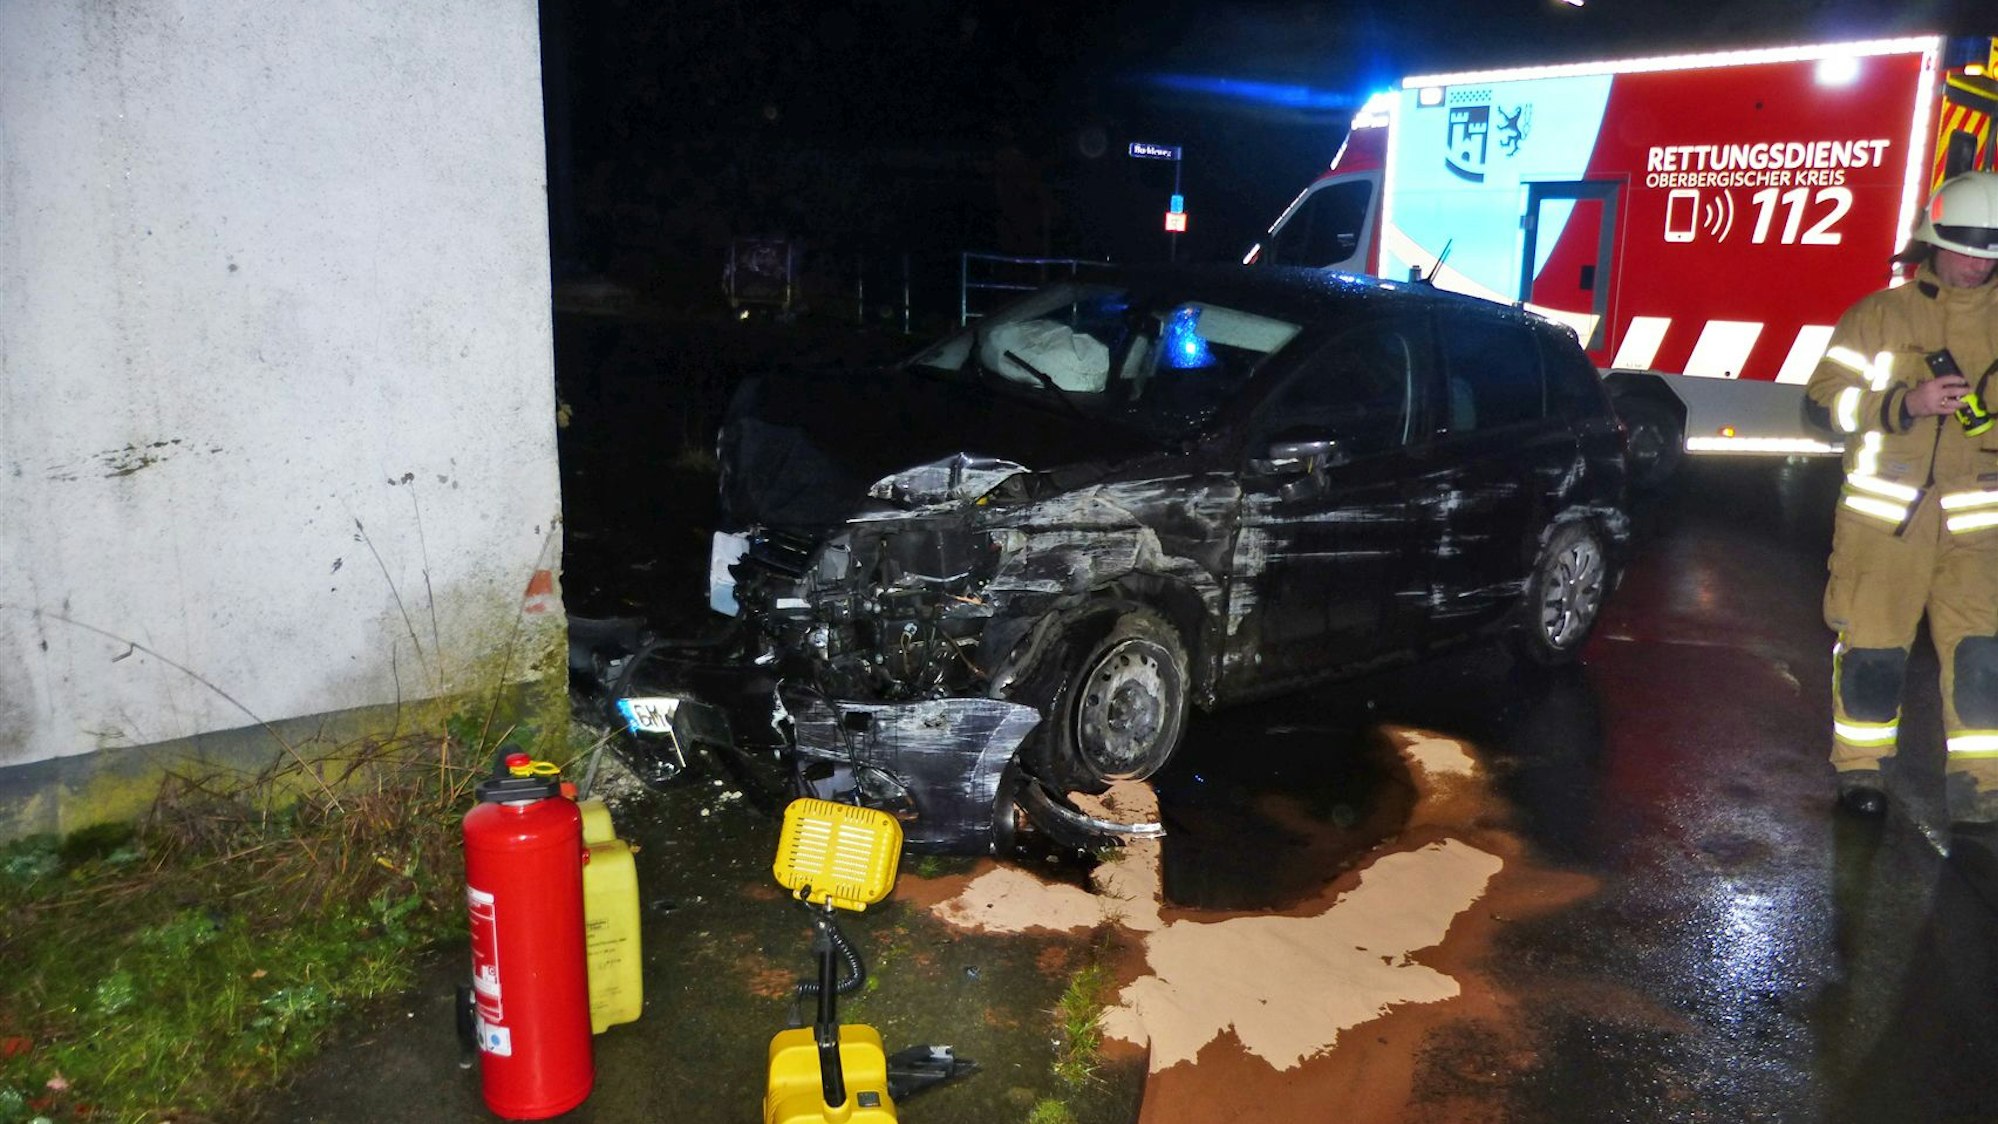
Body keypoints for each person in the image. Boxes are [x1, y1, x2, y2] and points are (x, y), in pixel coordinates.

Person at [1804, 171, 1998, 826]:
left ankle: (1981, 784)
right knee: (1874, 655)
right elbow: (1821, 404)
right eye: (1967, 247)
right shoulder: (1879, 316)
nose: (1978, 264)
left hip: (1979, 532)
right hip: (1883, 528)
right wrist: (1904, 404)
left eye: (1992, 250)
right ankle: (1861, 773)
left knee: (1982, 661)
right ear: (1933, 242)